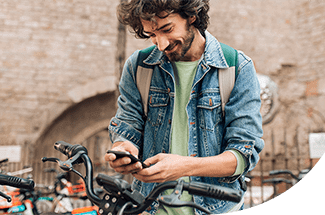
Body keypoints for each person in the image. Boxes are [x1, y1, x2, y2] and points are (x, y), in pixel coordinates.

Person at [104, 0, 264, 214]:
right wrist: (123, 148)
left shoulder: (237, 67)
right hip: (149, 208)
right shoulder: (139, 66)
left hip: (214, 209)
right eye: (151, 35)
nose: (160, 44)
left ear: (192, 16)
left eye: (167, 29)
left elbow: (243, 155)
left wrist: (184, 166)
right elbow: (128, 125)